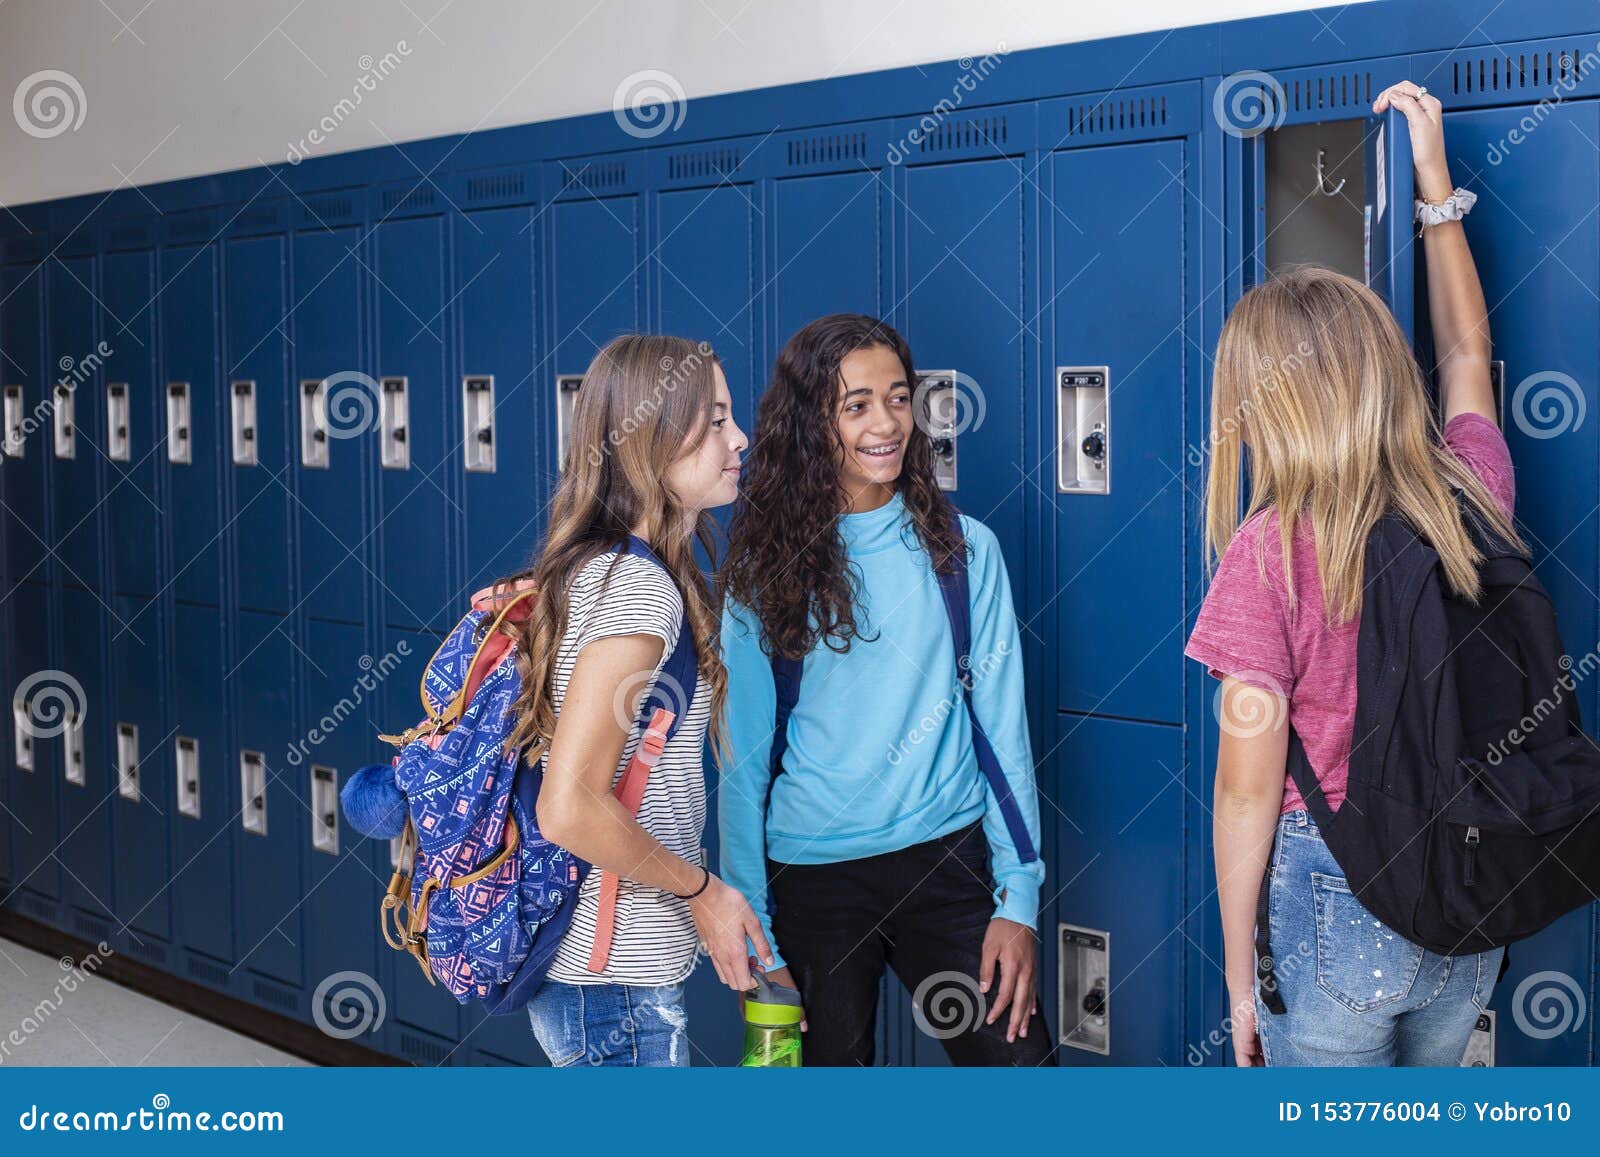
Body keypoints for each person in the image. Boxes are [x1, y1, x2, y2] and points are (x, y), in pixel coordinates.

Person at [1186, 81, 1517, 1066]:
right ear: (1379, 369)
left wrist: (1240, 981)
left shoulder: (1267, 552)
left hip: (1334, 902)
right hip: (1468, 897)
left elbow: (1247, 791)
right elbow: (1465, 353)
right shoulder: (1468, 491)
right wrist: (1433, 181)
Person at [717, 313, 1051, 1066]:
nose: (886, 422)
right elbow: (741, 770)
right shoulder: (762, 575)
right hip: (814, 881)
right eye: (856, 404)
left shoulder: (965, 551)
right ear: (811, 422)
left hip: (949, 864)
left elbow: (1002, 737)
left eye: (899, 398)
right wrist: (756, 938)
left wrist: (1018, 900)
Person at [499, 333, 771, 1066]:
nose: (738, 436)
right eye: (713, 419)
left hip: (598, 972)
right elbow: (569, 804)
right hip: (610, 981)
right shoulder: (638, 589)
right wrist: (702, 891)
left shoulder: (609, 568)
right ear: (650, 438)